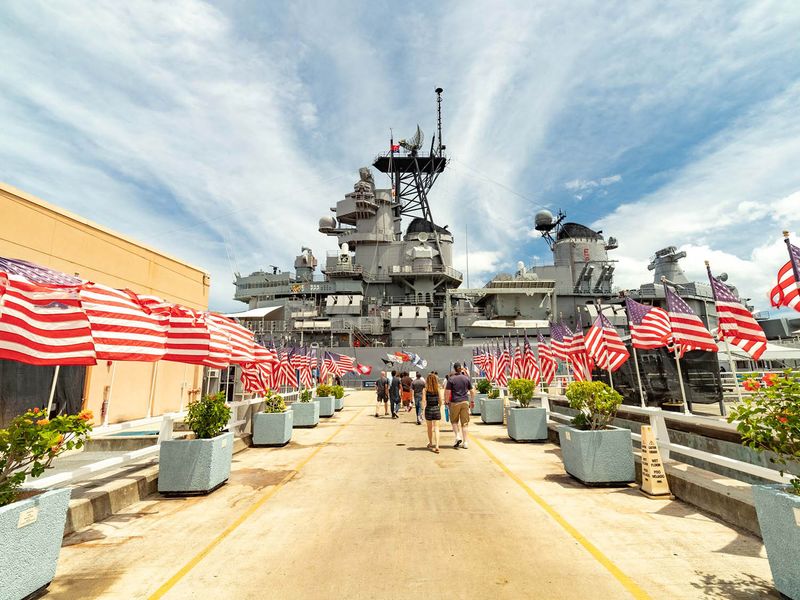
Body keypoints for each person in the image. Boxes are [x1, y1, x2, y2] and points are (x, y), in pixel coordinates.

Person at [445, 362, 474, 449]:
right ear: (461, 369)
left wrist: (446, 402)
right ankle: (465, 443)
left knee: (454, 421)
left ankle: (457, 436)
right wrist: (472, 401)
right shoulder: (466, 378)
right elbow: (472, 391)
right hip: (465, 402)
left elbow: (447, 392)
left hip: (455, 402)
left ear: (454, 369)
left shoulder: (451, 379)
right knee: (465, 424)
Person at [422, 373, 442, 453]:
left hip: (429, 409)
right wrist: (439, 408)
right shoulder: (438, 389)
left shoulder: (425, 389)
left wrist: (423, 410)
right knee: (436, 428)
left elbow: (423, 401)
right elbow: (440, 401)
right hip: (436, 408)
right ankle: (437, 445)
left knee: (429, 428)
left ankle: (430, 443)